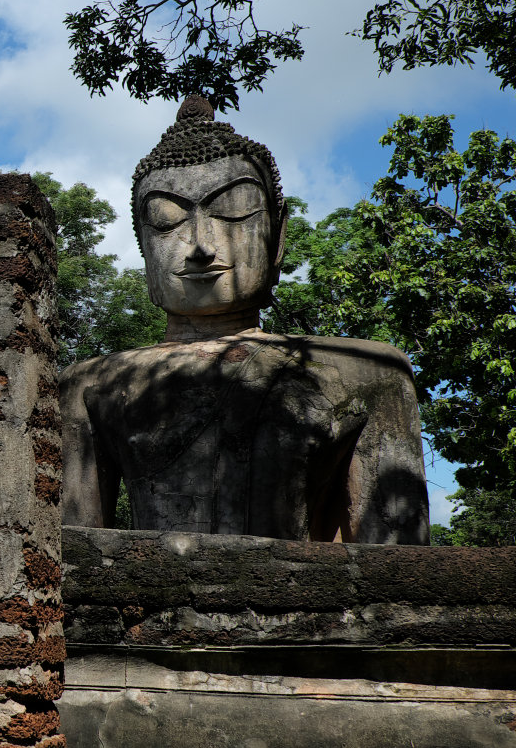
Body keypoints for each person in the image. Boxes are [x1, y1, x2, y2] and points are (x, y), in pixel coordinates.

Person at [60, 97, 429, 543]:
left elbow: (393, 565)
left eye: (233, 211)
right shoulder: (90, 385)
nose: (200, 246)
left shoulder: (370, 374)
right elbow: (70, 550)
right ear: (143, 247)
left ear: (278, 236)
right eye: (166, 220)